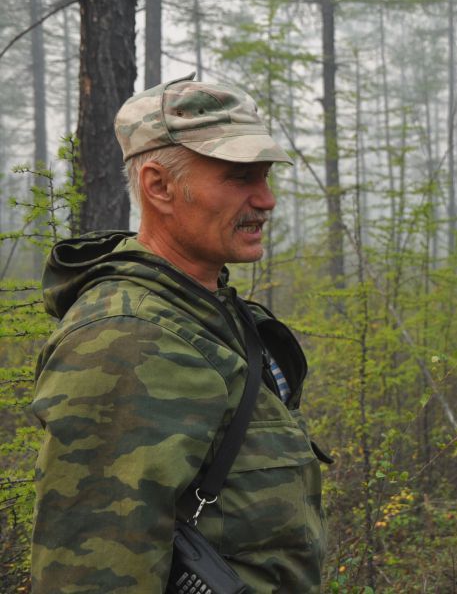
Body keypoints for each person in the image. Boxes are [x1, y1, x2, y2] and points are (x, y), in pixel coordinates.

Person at [31, 74, 328, 592]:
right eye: (240, 178)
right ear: (159, 186)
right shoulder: (128, 342)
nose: (267, 199)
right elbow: (91, 575)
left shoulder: (208, 313)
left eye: (265, 176)